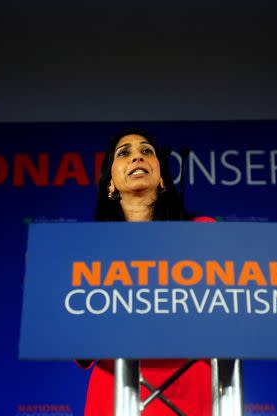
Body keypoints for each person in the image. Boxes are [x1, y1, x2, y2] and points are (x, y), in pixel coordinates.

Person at [77, 128, 214, 416]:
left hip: (189, 386)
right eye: (124, 153)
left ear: (161, 177)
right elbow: (81, 346)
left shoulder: (202, 231)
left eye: (147, 151)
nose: (137, 156)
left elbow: (224, 315)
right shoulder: (89, 249)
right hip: (114, 389)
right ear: (110, 182)